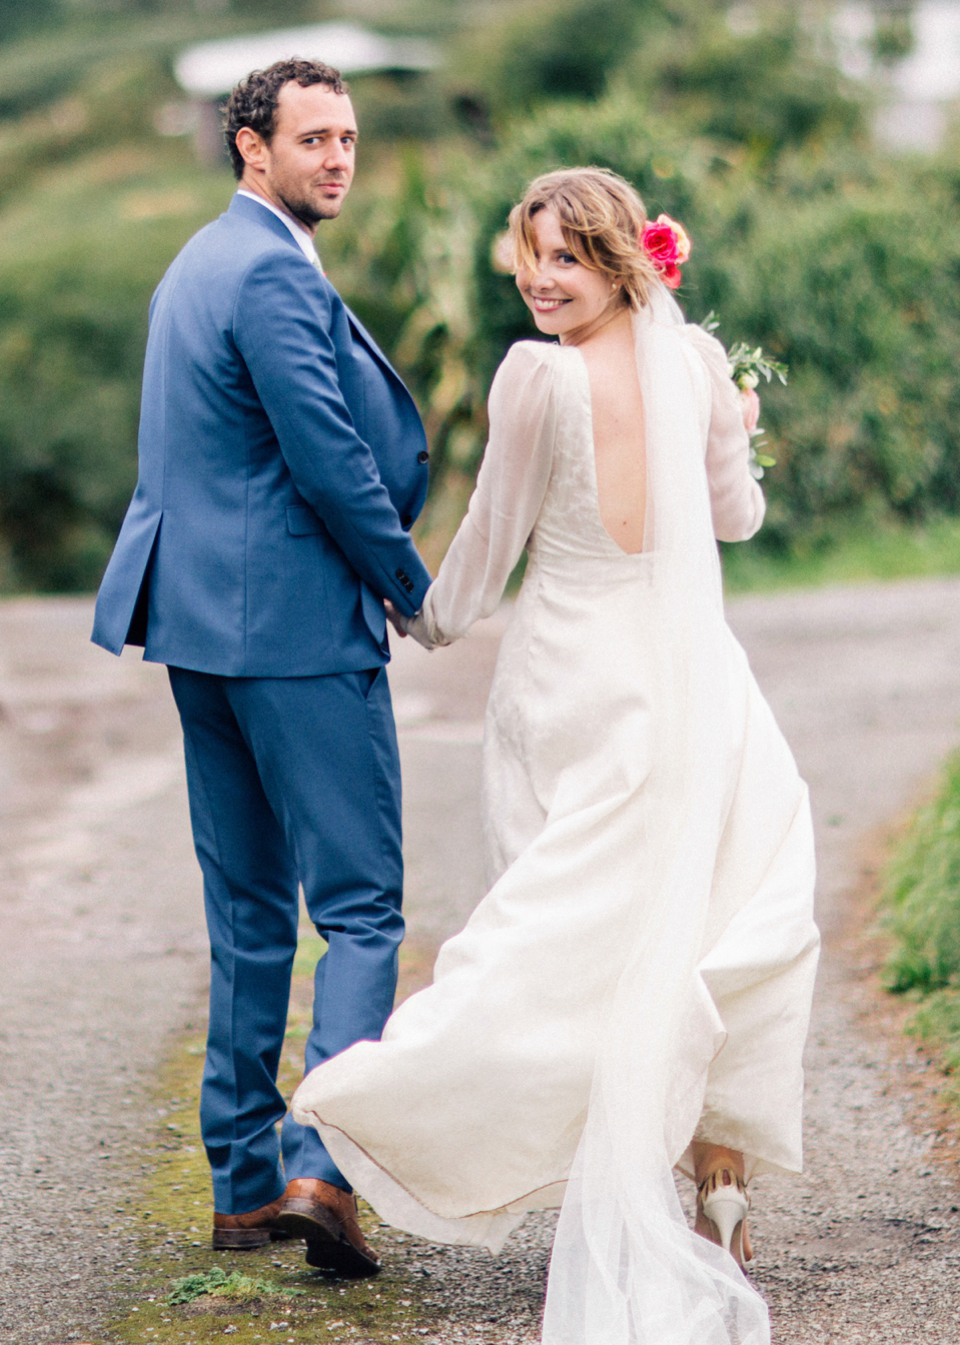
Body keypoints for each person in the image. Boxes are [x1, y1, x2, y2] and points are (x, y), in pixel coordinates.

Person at [292, 167, 820, 1340]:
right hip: (693, 681)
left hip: (575, 680)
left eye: (564, 259)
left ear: (623, 259)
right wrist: (736, 425)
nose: (538, 280)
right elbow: (737, 523)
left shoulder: (539, 378)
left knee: (562, 926)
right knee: (713, 917)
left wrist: (424, 615)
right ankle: (715, 1185)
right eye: (527, 257)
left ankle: (380, 1106)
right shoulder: (697, 368)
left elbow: (495, 531)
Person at [90, 58, 432, 1277]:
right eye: (314, 139)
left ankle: (240, 1188)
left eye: (348, 137)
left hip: (196, 627)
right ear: (252, 147)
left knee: (247, 914)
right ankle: (319, 1169)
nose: (338, 158)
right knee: (361, 909)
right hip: (290, 630)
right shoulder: (272, 273)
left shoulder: (197, 262)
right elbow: (331, 457)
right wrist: (410, 583)